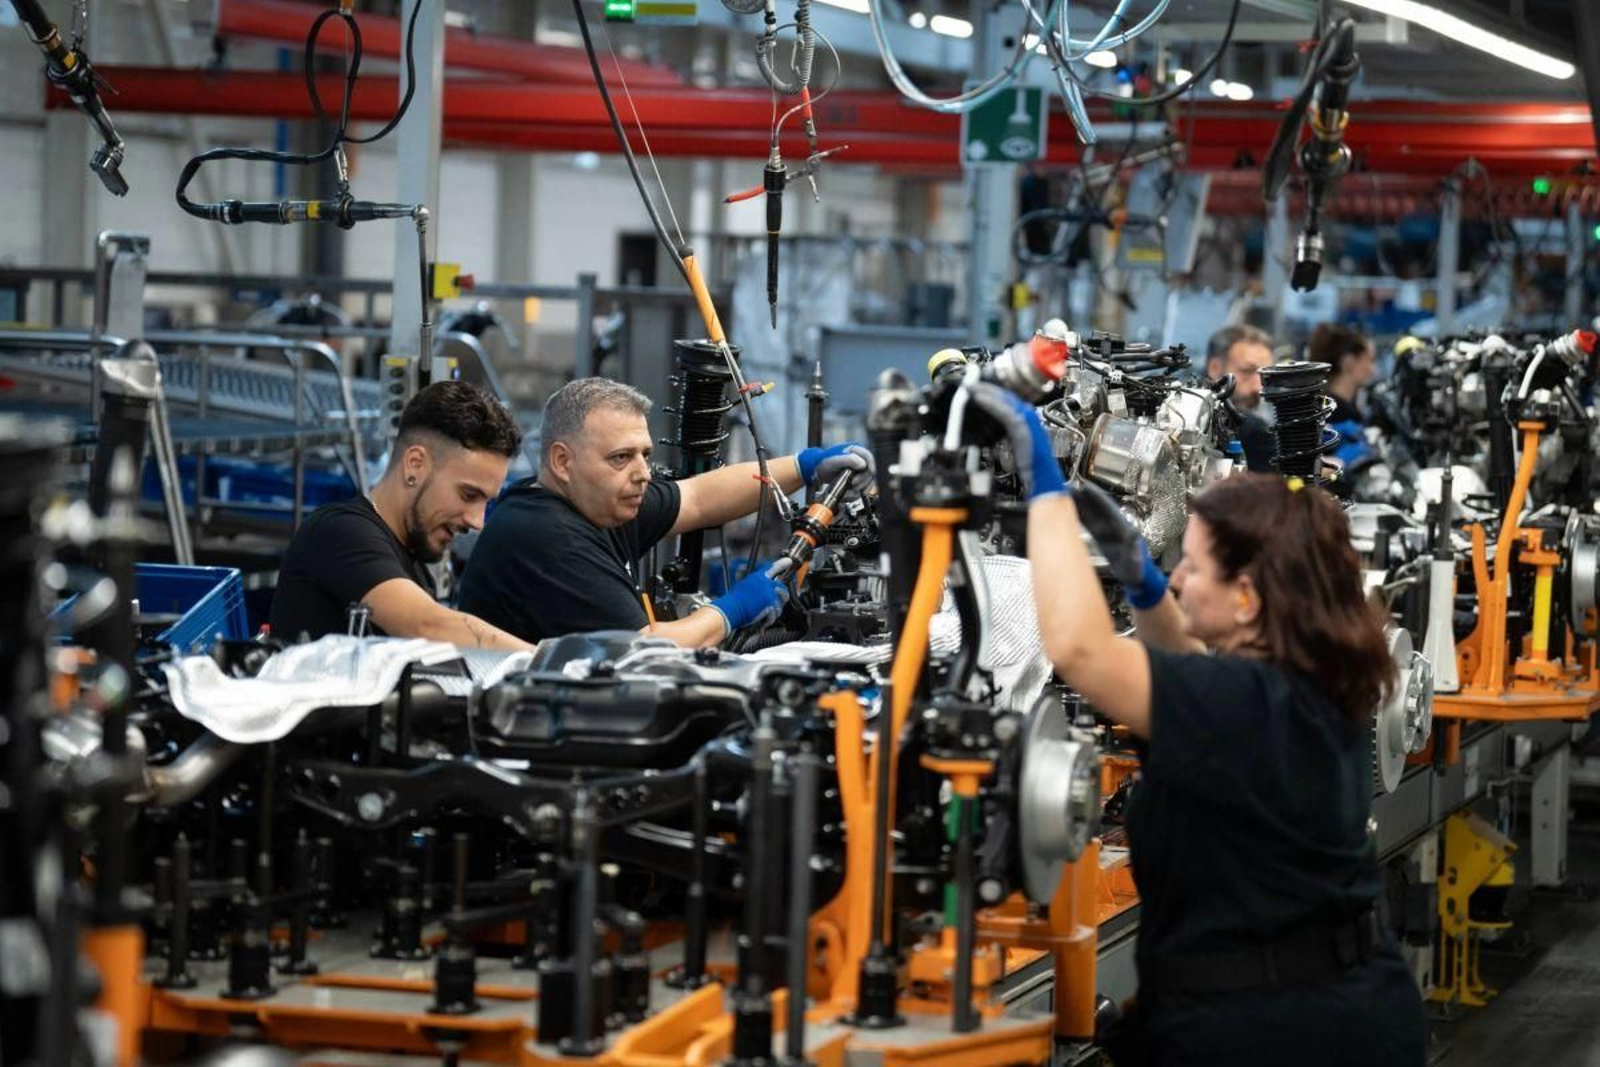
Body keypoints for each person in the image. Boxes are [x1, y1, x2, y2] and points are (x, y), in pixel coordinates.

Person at [971, 384, 1426, 1067]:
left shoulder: (1250, 700)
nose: (1177, 575)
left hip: (1283, 1036)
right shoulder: (1296, 682)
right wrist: (1144, 588)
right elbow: (1185, 665)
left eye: (1191, 564)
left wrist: (1046, 494)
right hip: (1318, 1011)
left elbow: (1080, 650)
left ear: (1246, 599)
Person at [458, 377, 872, 649]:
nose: (641, 473)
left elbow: (697, 497)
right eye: (621, 457)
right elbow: (646, 651)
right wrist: (732, 610)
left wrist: (804, 465)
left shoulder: (597, 500)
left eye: (644, 455)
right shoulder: (545, 534)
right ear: (563, 462)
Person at [269, 381, 536, 651]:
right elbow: (428, 625)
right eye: (468, 495)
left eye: (486, 502)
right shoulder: (339, 532)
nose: (477, 522)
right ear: (415, 464)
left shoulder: (414, 566)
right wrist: (542, 660)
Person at [1204, 323, 1276, 473]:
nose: (1258, 387)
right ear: (1215, 368)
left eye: (1265, 375)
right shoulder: (1254, 432)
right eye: (1247, 371)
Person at [1311, 322, 1378, 469]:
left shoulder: (1329, 405)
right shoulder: (1336, 411)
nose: (1373, 370)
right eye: (1369, 360)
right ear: (1348, 362)